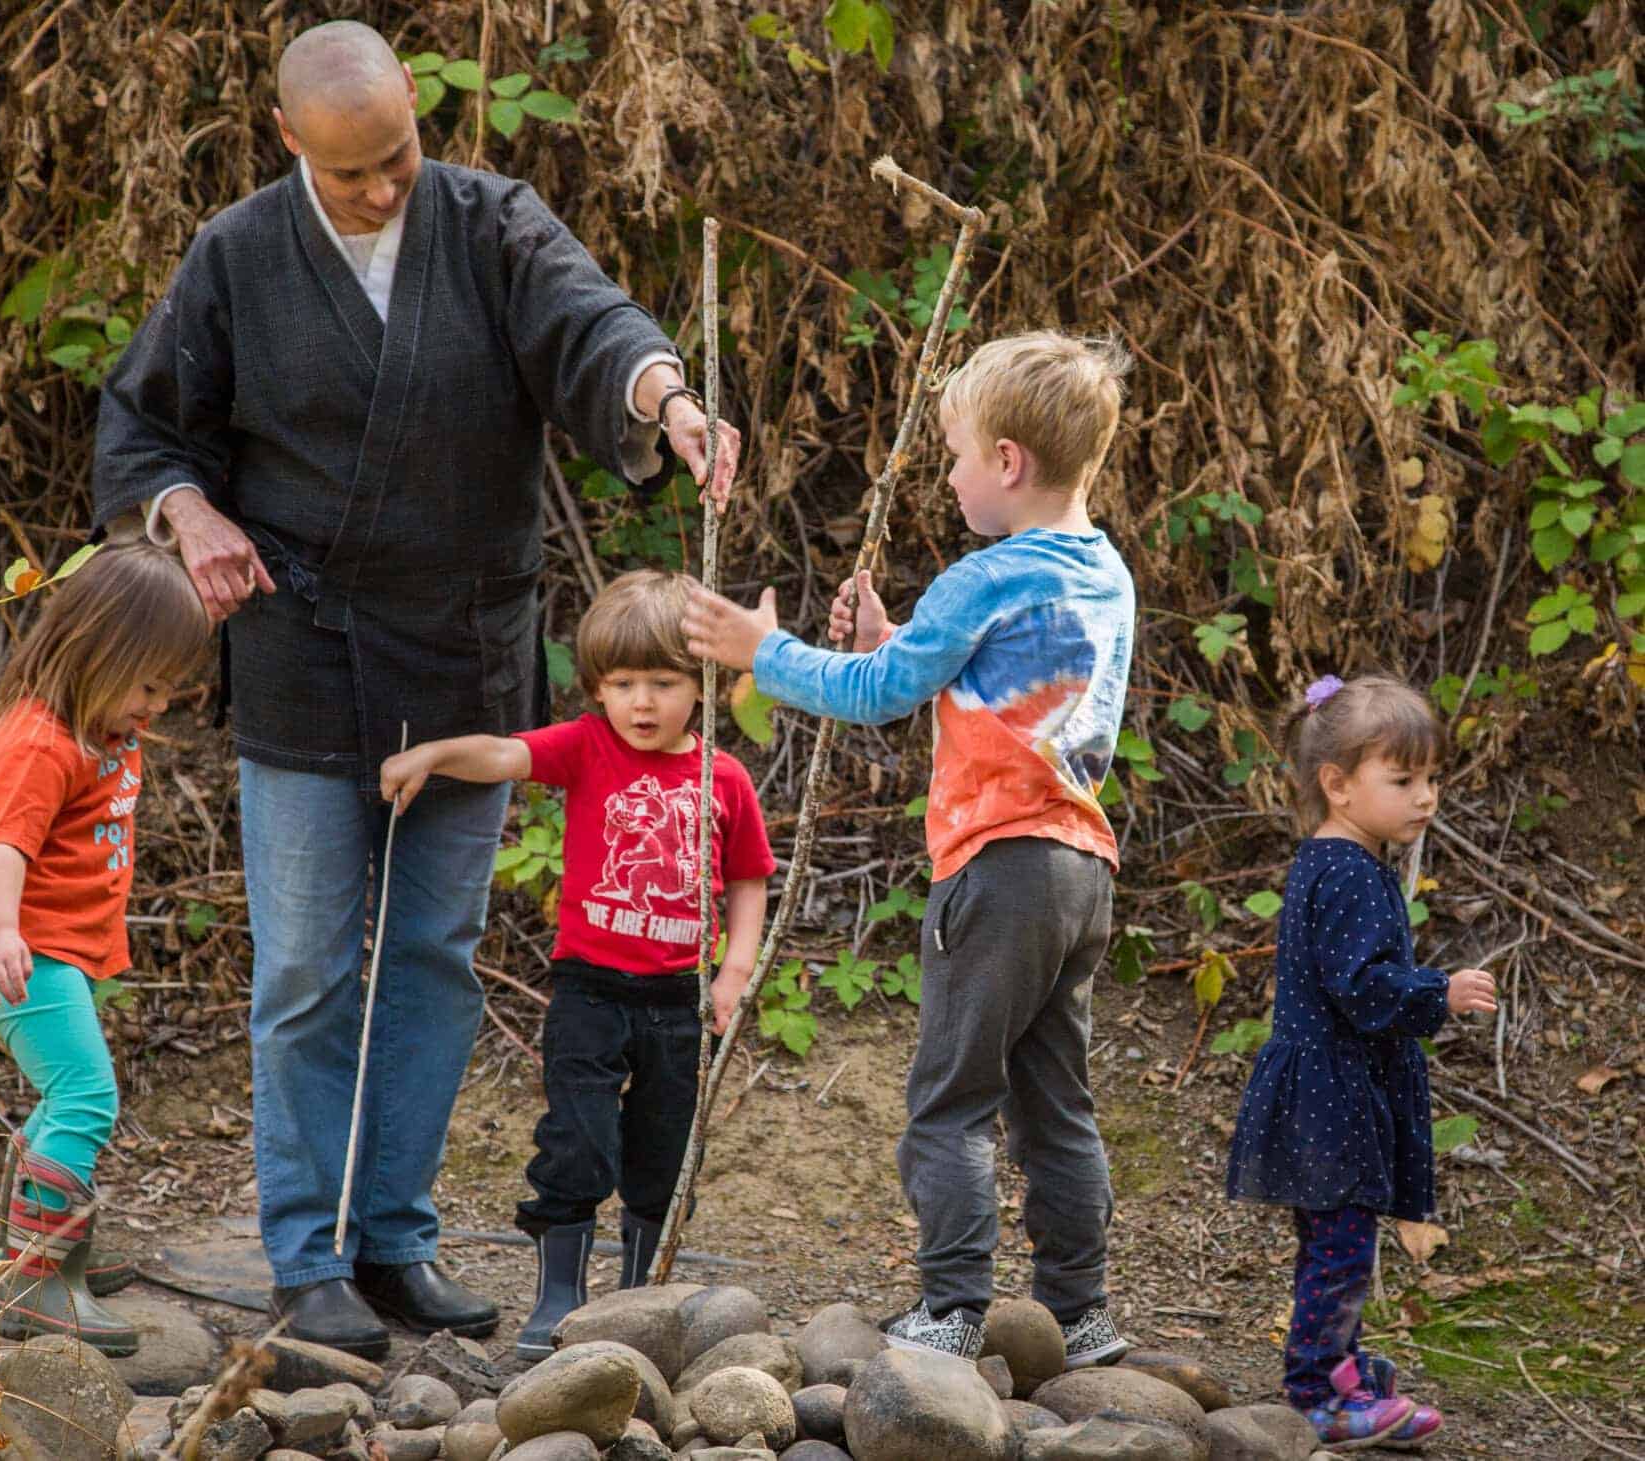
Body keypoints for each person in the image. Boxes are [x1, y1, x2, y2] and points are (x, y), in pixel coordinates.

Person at [91, 19, 739, 1356]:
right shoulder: (236, 259)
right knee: (310, 972)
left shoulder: (488, 221)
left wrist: (665, 394)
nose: (388, 190)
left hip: (466, 650)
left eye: (401, 157)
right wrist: (184, 512)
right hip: (306, 657)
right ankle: (305, 1255)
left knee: (436, 958)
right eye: (354, 174)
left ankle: (393, 1238)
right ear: (289, 143)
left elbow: (590, 320)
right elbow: (145, 425)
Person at [683, 331, 1137, 1365]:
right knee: (1056, 1103)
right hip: (1079, 871)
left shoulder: (983, 577)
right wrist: (897, 636)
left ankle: (952, 1306)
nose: (949, 475)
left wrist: (769, 654)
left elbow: (876, 701)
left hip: (995, 872)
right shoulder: (1102, 573)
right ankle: (1081, 1309)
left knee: (950, 1099)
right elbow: (1000, 692)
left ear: (1009, 463)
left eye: (957, 455)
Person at [381, 569, 774, 1360]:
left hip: (678, 999)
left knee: (662, 1150)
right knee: (577, 1140)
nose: (641, 703)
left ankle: (637, 1295)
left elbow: (748, 879)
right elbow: (502, 753)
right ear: (595, 687)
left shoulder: (721, 777)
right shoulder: (588, 747)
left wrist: (733, 972)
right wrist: (433, 752)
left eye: (663, 683)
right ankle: (560, 1290)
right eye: (622, 683)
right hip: (590, 990)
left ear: (699, 684)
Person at [1225, 674, 1497, 1450]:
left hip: (1331, 1086)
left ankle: (1336, 1364)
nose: (1426, 796)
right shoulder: (1347, 870)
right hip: (1329, 1093)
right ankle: (1316, 1391)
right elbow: (1361, 985)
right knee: (1343, 1241)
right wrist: (1437, 991)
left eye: (1433, 778)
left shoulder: (1343, 858)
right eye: (1404, 779)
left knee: (1335, 1237)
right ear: (1337, 785)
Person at [0, 542, 209, 1356]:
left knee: (68, 1099)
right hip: (21, 956)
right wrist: (4, 930)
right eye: (149, 685)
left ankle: (51, 1252)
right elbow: (4, 844)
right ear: (98, 651)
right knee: (86, 1098)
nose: (159, 706)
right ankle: (35, 1279)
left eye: (168, 687)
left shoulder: (96, 721)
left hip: (56, 954)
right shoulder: (37, 742)